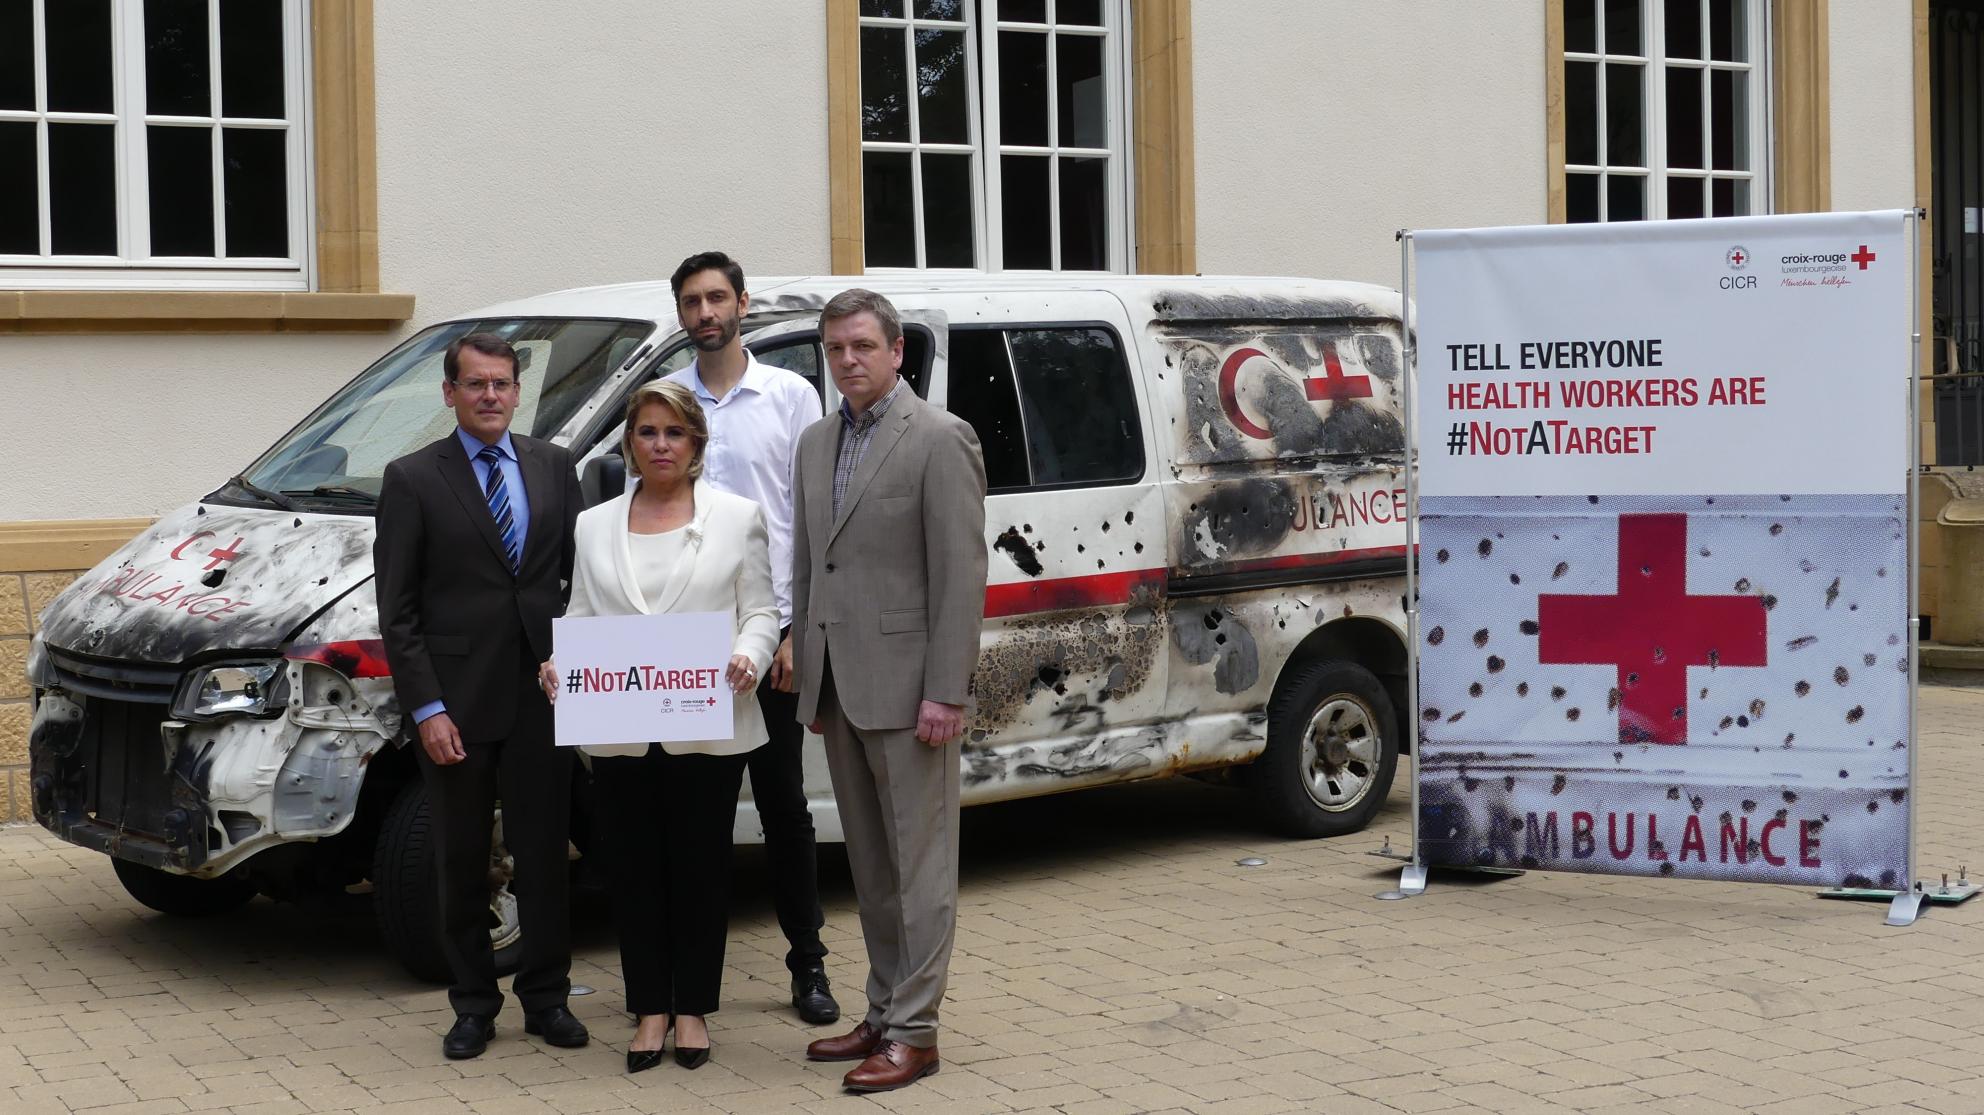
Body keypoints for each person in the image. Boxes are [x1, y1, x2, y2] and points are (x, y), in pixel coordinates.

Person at [548, 379, 781, 1073]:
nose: (660, 444)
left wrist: (750, 654)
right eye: (647, 432)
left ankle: (692, 1012)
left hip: (709, 726)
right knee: (633, 871)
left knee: (702, 871)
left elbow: (762, 612)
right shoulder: (594, 524)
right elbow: (583, 615)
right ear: (629, 442)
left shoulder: (738, 517)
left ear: (696, 444)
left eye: (674, 432)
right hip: (619, 727)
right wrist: (560, 665)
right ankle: (649, 1007)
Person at [791, 289, 988, 1093]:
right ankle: (880, 1008)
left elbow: (960, 575)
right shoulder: (813, 441)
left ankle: (917, 1031)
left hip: (914, 695)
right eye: (836, 349)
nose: (849, 361)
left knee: (921, 869)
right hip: (840, 686)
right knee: (870, 867)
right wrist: (808, 672)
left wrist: (947, 689)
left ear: (897, 350)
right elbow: (812, 565)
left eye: (863, 346)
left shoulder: (941, 438)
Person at [373, 332, 590, 1060]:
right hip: (457, 705)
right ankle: (472, 1002)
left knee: (542, 856)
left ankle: (547, 998)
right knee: (462, 860)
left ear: (516, 391)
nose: (490, 395)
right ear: (450, 393)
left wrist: (583, 665)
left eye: (502, 383)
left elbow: (577, 585)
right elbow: (397, 612)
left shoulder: (556, 468)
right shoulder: (411, 478)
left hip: (543, 694)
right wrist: (426, 708)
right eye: (476, 384)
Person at [661, 251, 840, 1025]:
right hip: (690, 639)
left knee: (782, 807)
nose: (705, 312)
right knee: (694, 816)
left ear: (742, 303)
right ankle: (683, 979)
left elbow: (814, 519)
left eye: (715, 298)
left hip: (772, 637)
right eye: (692, 302)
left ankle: (808, 965)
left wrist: (798, 628)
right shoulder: (669, 403)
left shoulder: (790, 395)